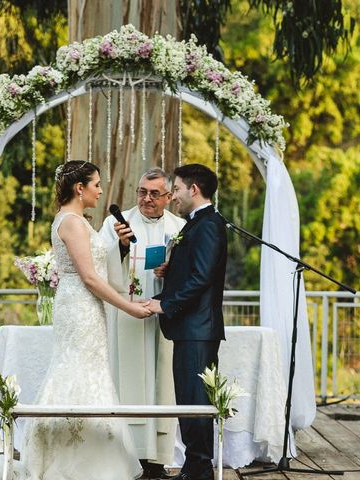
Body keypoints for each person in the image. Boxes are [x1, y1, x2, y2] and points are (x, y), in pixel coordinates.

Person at [0, 161, 151, 480]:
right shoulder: (71, 222)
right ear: (79, 188)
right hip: (79, 307)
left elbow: (96, 264)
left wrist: (119, 246)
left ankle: (88, 451)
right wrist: (129, 307)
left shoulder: (80, 220)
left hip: (88, 307)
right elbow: (90, 278)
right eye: (96, 184)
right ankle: (64, 456)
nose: (100, 189)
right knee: (74, 371)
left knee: (90, 372)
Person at [99, 167, 185, 479]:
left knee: (162, 384)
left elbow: (192, 274)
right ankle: (125, 457)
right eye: (142, 192)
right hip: (127, 314)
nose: (146, 199)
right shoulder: (116, 223)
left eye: (154, 193)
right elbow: (97, 265)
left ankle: (157, 461)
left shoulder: (180, 227)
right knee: (129, 383)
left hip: (163, 317)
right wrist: (121, 247)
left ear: (168, 196)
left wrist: (170, 270)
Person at [148, 164, 227, 480]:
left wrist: (164, 304)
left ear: (194, 189)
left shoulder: (208, 225)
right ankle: (195, 466)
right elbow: (194, 269)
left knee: (195, 400)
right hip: (190, 328)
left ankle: (200, 469)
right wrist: (173, 268)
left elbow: (202, 278)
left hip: (197, 329)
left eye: (176, 189)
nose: (173, 195)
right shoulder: (196, 223)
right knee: (189, 398)